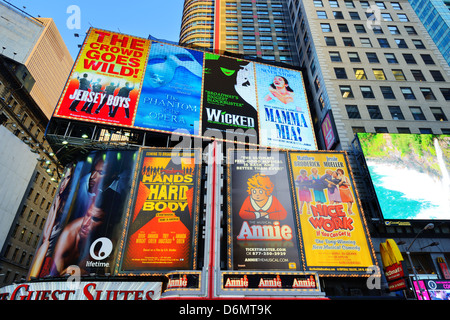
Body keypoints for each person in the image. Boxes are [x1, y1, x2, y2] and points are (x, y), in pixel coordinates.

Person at [50, 189, 119, 276]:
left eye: (95, 219)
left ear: (109, 223)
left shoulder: (111, 239)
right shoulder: (69, 233)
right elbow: (56, 275)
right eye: (87, 215)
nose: (85, 223)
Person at [28, 165, 74, 278]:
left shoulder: (67, 204)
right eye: (65, 178)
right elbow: (46, 239)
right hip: (45, 259)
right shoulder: (58, 201)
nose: (63, 183)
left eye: (68, 178)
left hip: (51, 261)